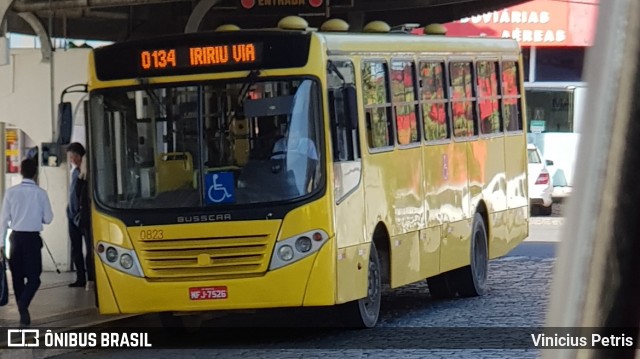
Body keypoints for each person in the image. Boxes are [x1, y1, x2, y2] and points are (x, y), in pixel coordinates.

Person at [0, 158, 53, 326]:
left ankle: (23, 310)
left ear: (20, 172)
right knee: (34, 277)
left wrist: (1, 244)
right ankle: (24, 305)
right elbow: (48, 218)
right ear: (35, 173)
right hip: (32, 239)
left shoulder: (10, 192)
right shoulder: (41, 193)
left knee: (16, 277)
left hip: (15, 239)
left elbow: (3, 220)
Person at [66, 142, 94, 290]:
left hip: (82, 215)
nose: (71, 159)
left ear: (79, 156)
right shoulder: (75, 172)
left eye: (72, 156)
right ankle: (80, 277)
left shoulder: (85, 173)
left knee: (89, 248)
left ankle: (91, 277)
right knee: (76, 248)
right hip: (72, 215)